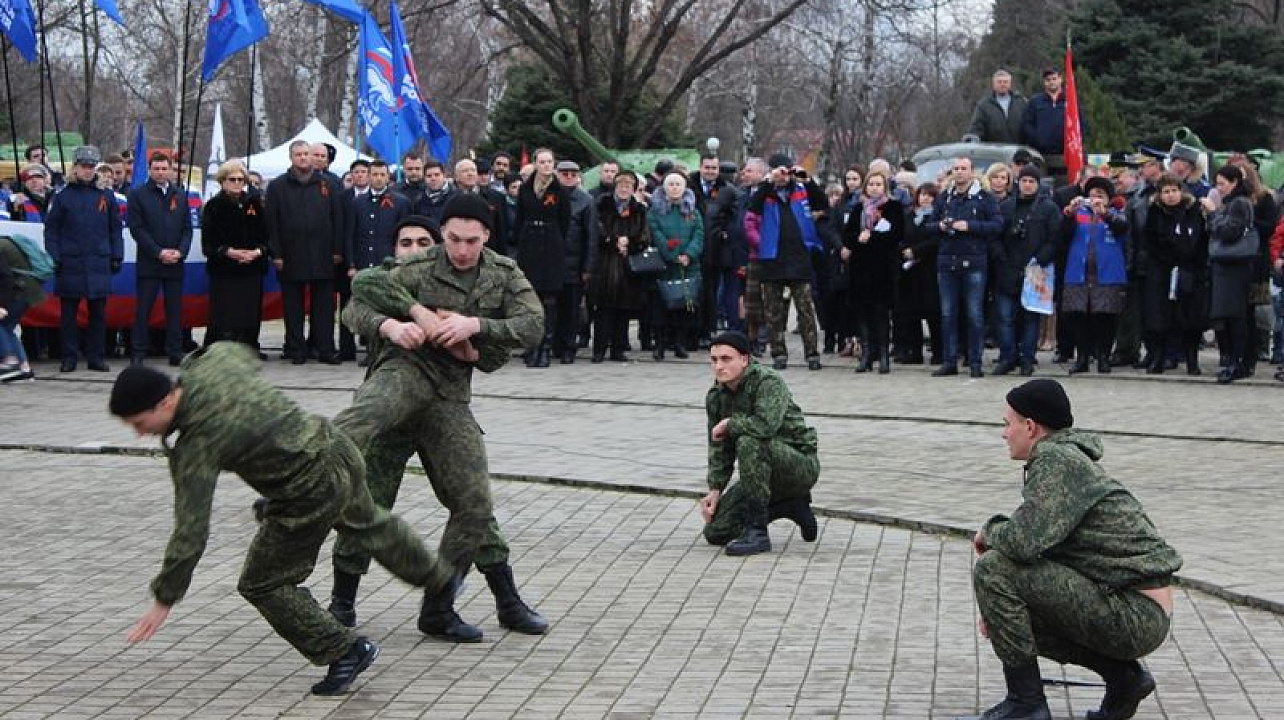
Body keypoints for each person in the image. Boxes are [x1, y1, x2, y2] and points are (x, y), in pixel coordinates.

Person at [110, 345, 457, 696]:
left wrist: (165, 597)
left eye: (140, 423)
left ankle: (345, 650)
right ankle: (439, 577)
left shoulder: (197, 443)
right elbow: (232, 349)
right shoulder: (212, 367)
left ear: (166, 401)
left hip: (307, 492)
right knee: (367, 522)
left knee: (262, 583)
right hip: (337, 449)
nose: (140, 433)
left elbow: (192, 530)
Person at [332, 193, 548, 642]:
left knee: (474, 504)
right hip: (401, 380)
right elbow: (361, 293)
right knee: (368, 497)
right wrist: (398, 322)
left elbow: (532, 325)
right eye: (453, 239)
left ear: (487, 236)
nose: (462, 249)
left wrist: (476, 328)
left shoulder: (503, 274)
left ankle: (441, 607)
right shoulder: (417, 267)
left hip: (447, 398)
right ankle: (341, 598)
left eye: (471, 240)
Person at [960, 379, 1179, 720]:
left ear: (1030, 426)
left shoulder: (1057, 460)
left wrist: (989, 530)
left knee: (993, 568)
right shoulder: (1063, 458)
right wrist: (999, 613)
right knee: (1007, 610)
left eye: (1007, 424)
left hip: (1135, 613)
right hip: (1134, 607)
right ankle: (1124, 679)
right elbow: (1039, 543)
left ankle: (1026, 705)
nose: (1004, 434)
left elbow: (1021, 542)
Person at [700, 330, 819, 556]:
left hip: (798, 465)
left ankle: (758, 532)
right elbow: (719, 448)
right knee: (715, 531)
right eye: (714, 360)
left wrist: (729, 424)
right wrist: (715, 490)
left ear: (744, 360)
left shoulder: (768, 382)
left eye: (726, 359)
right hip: (759, 472)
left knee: (749, 441)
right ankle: (790, 506)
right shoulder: (716, 396)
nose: (718, 367)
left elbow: (765, 426)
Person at [44, 145, 123, 373]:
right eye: (83, 166)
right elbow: (51, 231)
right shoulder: (62, 196)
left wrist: (117, 254)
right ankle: (69, 357)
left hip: (99, 261)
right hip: (71, 262)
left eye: (91, 167)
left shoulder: (105, 195)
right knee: (68, 314)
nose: (88, 171)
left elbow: (115, 228)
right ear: (75, 167)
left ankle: (95, 357)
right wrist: (55, 257)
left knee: (98, 313)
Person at [265, 140, 344, 365]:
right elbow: (272, 223)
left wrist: (337, 249)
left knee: (325, 308)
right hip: (291, 255)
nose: (303, 158)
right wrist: (276, 253)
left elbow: (337, 218)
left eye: (306, 154)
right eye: (298, 154)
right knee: (293, 308)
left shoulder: (328, 184)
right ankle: (296, 349)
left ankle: (325, 348)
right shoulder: (278, 186)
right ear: (291, 157)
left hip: (324, 255)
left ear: (314, 157)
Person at [745, 154, 826, 371]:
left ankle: (812, 353)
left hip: (799, 257)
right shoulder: (765, 193)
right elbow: (752, 208)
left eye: (786, 171)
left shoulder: (801, 190)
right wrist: (768, 181)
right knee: (773, 312)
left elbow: (822, 203)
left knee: (806, 309)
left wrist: (807, 180)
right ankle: (778, 353)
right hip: (772, 259)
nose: (783, 176)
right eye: (778, 171)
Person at [930, 157, 1003, 378]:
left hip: (974, 262)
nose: (960, 172)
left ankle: (975, 362)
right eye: (956, 169)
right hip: (947, 262)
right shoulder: (945, 198)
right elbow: (929, 225)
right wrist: (941, 226)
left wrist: (969, 226)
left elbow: (997, 225)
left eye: (964, 169)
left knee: (974, 314)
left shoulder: (984, 198)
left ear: (972, 172)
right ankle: (950, 360)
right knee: (948, 314)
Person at [992, 165, 1060, 376]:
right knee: (1005, 318)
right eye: (1024, 181)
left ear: (1038, 184)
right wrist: (1001, 257)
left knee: (1031, 319)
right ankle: (1007, 357)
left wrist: (1038, 260)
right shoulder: (1005, 207)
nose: (1027, 185)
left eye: (1032, 181)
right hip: (1007, 270)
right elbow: (994, 236)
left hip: (1035, 271)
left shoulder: (1048, 209)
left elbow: (1054, 239)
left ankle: (1027, 359)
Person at [127, 152, 193, 366]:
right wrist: (158, 252)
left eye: (164, 168)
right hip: (150, 263)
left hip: (175, 263)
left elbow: (187, 229)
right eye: (156, 168)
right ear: (150, 170)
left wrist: (180, 252)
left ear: (171, 170)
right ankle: (138, 352)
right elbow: (137, 229)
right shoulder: (138, 195)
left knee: (174, 311)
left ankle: (174, 352)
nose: (161, 172)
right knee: (143, 310)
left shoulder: (180, 195)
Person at [1060, 176, 1130, 375]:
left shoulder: (1116, 214)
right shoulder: (1077, 213)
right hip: (1078, 273)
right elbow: (1062, 234)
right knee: (1079, 317)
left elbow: (1123, 228)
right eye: (1092, 194)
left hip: (1107, 274)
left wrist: (1105, 214)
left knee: (1105, 318)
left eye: (1101, 195)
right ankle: (1081, 358)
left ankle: (1103, 358)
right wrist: (1068, 214)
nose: (1095, 198)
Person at [1141, 173, 1208, 376]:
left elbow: (1200, 240)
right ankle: (1159, 358)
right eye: (1166, 192)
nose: (1171, 195)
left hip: (1189, 270)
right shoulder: (1154, 213)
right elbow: (1151, 241)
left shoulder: (1193, 211)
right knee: (1160, 316)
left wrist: (1189, 257)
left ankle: (1191, 360)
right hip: (1162, 270)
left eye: (1174, 190)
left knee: (1190, 318)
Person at [201, 160, 268, 352]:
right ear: (222, 181)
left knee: (250, 311)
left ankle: (249, 346)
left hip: (252, 267)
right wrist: (231, 252)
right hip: (225, 269)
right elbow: (209, 243)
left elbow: (265, 235)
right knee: (225, 312)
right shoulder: (214, 206)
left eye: (241, 180)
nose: (237, 183)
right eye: (232, 179)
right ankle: (222, 348)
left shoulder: (254, 204)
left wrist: (257, 252)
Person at [513, 148, 571, 367]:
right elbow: (519, 217)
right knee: (529, 299)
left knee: (549, 300)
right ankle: (531, 346)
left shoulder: (559, 190)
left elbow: (565, 221)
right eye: (542, 161)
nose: (546, 165)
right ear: (535, 164)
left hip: (551, 246)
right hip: (529, 245)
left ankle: (545, 346)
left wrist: (555, 239)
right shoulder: (526, 189)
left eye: (550, 161)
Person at [842, 171, 903, 374]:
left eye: (878, 184)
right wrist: (858, 238)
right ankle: (866, 354)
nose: (874, 188)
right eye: (871, 184)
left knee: (880, 313)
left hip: (882, 268)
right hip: (860, 267)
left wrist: (874, 236)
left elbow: (897, 234)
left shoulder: (893, 207)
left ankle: (884, 355)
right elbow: (848, 235)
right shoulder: (859, 208)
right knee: (862, 312)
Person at [587, 170, 650, 362]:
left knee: (623, 310)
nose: (624, 189)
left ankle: (618, 348)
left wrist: (629, 243)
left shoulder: (639, 209)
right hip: (605, 264)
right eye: (621, 185)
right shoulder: (601, 205)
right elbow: (595, 229)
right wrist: (613, 241)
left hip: (627, 266)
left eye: (629, 186)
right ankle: (599, 350)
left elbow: (645, 236)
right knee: (603, 309)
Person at [1204, 165, 1257, 384]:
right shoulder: (1234, 203)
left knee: (1237, 316)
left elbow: (1229, 232)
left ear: (1234, 182)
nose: (1219, 188)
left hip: (1235, 267)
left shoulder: (1239, 203)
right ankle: (1241, 361)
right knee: (1235, 316)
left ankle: (1239, 361)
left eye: (1222, 184)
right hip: (1229, 267)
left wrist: (1213, 213)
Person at [647, 172, 703, 360]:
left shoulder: (693, 211)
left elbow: (699, 235)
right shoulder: (655, 211)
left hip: (688, 266)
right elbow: (656, 234)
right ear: (664, 187)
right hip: (664, 266)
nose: (674, 188)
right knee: (660, 307)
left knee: (683, 307)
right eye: (670, 184)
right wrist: (672, 255)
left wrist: (689, 254)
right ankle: (660, 344)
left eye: (678, 184)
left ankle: (680, 343)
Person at [894, 183, 943, 365]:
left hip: (929, 269)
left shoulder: (937, 216)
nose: (925, 198)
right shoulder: (908, 215)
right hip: (909, 271)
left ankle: (939, 351)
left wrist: (916, 251)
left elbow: (936, 240)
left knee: (933, 313)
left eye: (930, 195)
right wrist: (904, 250)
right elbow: (899, 235)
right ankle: (914, 352)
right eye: (922, 194)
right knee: (910, 313)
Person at [554, 160, 595, 363]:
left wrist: (587, 268)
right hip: (552, 263)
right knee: (552, 308)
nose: (568, 177)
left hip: (574, 264)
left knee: (571, 310)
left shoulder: (586, 201)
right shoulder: (549, 196)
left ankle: (569, 346)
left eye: (573, 173)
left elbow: (591, 237)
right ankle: (554, 344)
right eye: (564, 173)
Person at [1021, 68, 1086, 183]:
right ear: (1044, 82)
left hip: (1065, 156)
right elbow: (1027, 124)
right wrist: (1037, 139)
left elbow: (1079, 125)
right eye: (1048, 80)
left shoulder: (1070, 101)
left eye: (1054, 79)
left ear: (1060, 79)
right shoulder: (1035, 102)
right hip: (1041, 156)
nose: (1051, 82)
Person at [0, 235, 45, 383]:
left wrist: (2, 306)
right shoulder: (5, 242)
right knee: (8, 327)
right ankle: (24, 368)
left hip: (19, 291)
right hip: (29, 290)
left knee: (3, 326)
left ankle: (9, 362)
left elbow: (6, 278)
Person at [967, 69, 1028, 144]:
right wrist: (972, 141)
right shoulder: (984, 105)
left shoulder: (1021, 102)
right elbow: (976, 128)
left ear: (1010, 84)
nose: (1002, 84)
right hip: (994, 152)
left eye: (1005, 82)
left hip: (1018, 150)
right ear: (993, 84)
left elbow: (1030, 125)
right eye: (999, 82)